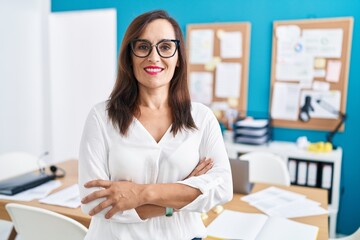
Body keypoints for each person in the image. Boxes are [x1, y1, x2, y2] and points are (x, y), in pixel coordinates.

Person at [79, 9, 233, 240]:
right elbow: (97, 204)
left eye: (165, 47)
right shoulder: (101, 116)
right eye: (143, 46)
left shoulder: (202, 118)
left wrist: (141, 194)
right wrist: (184, 193)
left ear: (178, 57)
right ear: (129, 57)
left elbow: (222, 189)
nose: (154, 57)